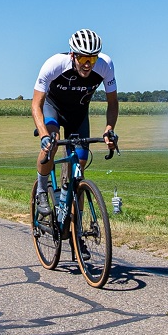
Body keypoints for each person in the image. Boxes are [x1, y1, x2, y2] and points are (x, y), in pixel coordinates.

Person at [31, 29, 118, 215]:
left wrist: (109, 129)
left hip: (78, 114)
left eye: (92, 59)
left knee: (80, 164)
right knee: (52, 143)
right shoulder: (54, 64)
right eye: (83, 59)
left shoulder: (106, 66)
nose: (88, 64)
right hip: (52, 108)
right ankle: (41, 191)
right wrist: (44, 135)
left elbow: (113, 103)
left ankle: (76, 228)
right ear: (72, 55)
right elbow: (36, 105)